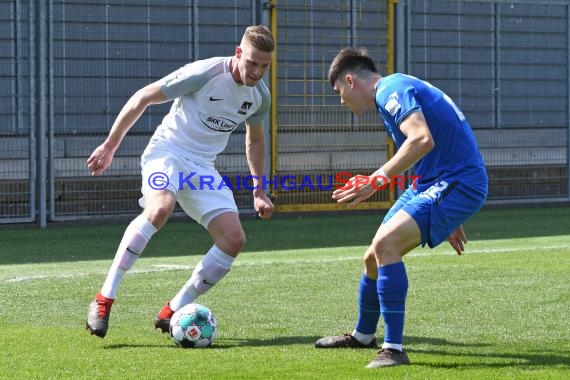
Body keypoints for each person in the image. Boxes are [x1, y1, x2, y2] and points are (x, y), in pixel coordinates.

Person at [85, 25, 275, 338]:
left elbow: (255, 140)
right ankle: (104, 299)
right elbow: (143, 97)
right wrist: (109, 146)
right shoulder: (205, 72)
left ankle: (172, 310)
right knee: (160, 209)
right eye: (252, 62)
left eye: (265, 66)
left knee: (233, 239)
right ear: (238, 53)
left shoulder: (260, 97)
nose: (257, 72)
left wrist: (259, 190)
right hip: (168, 153)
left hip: (202, 168)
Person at [314, 47, 488, 368]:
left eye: (339, 91)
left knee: (386, 245)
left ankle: (394, 349)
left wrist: (376, 180)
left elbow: (421, 139)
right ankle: (363, 336)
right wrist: (447, 213)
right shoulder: (395, 89)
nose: (341, 100)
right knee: (372, 258)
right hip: (434, 182)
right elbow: (435, 141)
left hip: (457, 181)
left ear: (350, 80)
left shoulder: (390, 90)